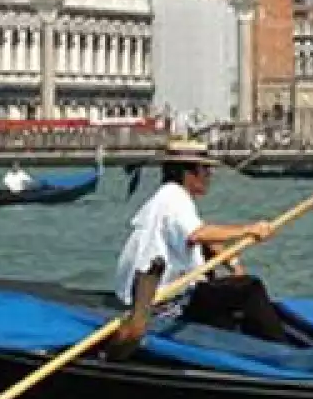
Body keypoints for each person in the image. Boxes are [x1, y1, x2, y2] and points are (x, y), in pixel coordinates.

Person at [109, 139, 288, 359]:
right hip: (163, 303)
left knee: (224, 286)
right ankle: (284, 354)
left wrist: (232, 262)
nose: (209, 176)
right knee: (250, 288)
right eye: (206, 170)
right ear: (189, 173)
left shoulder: (166, 198)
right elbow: (198, 233)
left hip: (154, 293)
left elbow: (199, 240)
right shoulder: (174, 198)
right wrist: (250, 230)